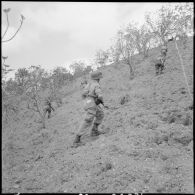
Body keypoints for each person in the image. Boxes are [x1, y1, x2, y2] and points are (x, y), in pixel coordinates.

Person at [72, 71, 105, 147]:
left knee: (100, 114)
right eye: (100, 77)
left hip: (88, 102)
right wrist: (101, 102)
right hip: (92, 104)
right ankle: (77, 140)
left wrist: (89, 100)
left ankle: (94, 131)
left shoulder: (89, 84)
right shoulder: (96, 85)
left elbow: (83, 94)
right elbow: (100, 96)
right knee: (88, 120)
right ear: (98, 78)